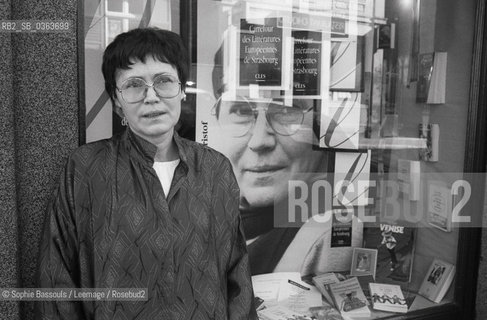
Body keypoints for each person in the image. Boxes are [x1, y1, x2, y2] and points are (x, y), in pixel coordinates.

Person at [36, 27, 257, 319]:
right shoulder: (86, 169)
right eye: (133, 85)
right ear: (116, 101)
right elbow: (57, 280)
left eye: (164, 81)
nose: (151, 97)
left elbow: (237, 274)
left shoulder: (215, 170)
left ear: (181, 91)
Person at [211, 45, 363, 277]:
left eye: (287, 109)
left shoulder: (326, 235)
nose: (259, 140)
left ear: (323, 127)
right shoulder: (209, 212)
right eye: (242, 111)